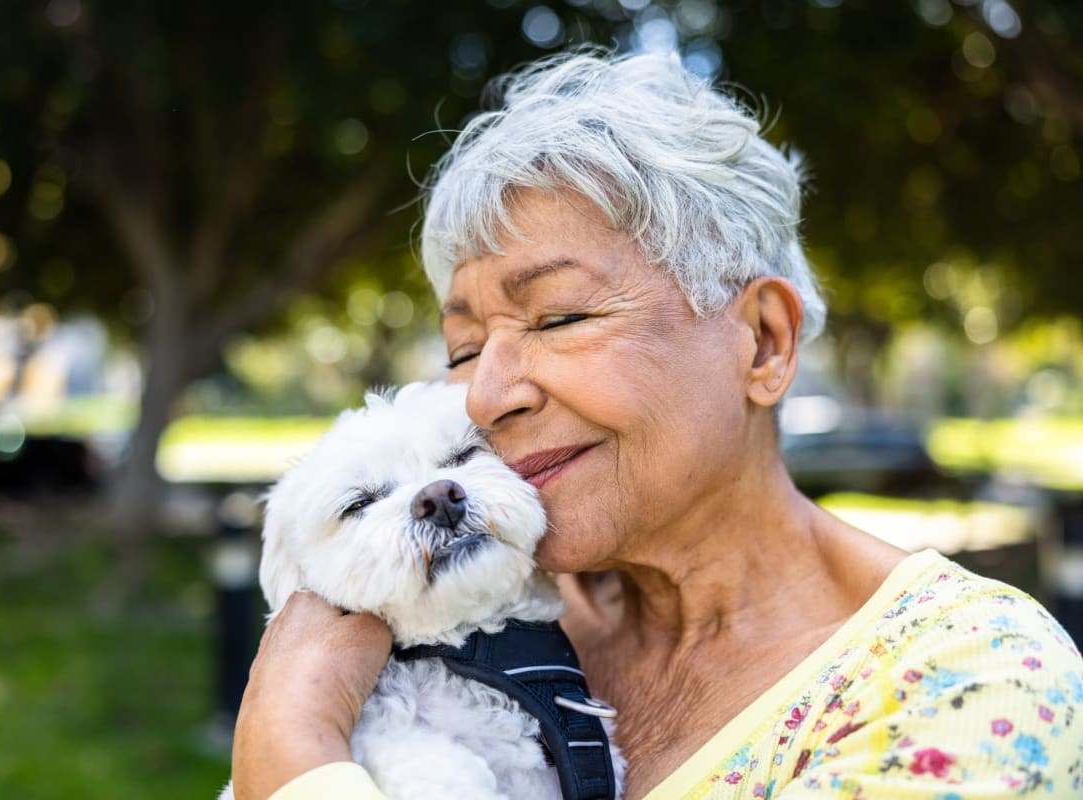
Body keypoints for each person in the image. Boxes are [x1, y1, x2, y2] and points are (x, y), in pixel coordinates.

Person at [230, 51, 1083, 799]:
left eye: (558, 318)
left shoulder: (967, 686)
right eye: (462, 348)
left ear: (762, 341)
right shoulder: (485, 613)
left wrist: (289, 743)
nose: (488, 394)